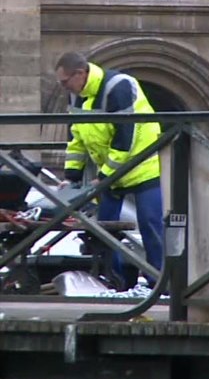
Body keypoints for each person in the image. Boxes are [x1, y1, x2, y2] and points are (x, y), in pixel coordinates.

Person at [55, 52, 164, 291]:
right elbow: (77, 140)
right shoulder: (77, 97)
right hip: (111, 175)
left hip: (142, 168)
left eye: (65, 82)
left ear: (80, 74)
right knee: (103, 231)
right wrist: (71, 178)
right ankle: (117, 283)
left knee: (151, 226)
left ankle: (160, 286)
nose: (64, 88)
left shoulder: (118, 86)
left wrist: (103, 177)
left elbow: (125, 140)